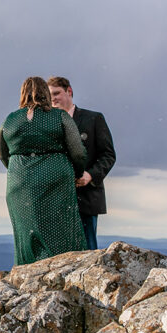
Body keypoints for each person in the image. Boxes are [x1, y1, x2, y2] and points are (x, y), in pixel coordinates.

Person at [0, 77, 87, 265]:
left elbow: (2, 153)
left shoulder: (10, 119)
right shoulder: (59, 116)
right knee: (59, 231)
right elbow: (78, 151)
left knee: (27, 231)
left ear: (23, 93)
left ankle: (27, 271)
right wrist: (77, 172)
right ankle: (64, 271)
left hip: (19, 183)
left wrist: (18, 171)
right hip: (55, 179)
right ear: (45, 93)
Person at [48, 76, 116, 251]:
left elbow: (108, 155)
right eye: (49, 95)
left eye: (56, 93)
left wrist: (90, 175)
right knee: (58, 252)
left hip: (86, 197)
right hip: (56, 198)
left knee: (88, 249)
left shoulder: (93, 119)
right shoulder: (47, 123)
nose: (53, 98)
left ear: (69, 91)